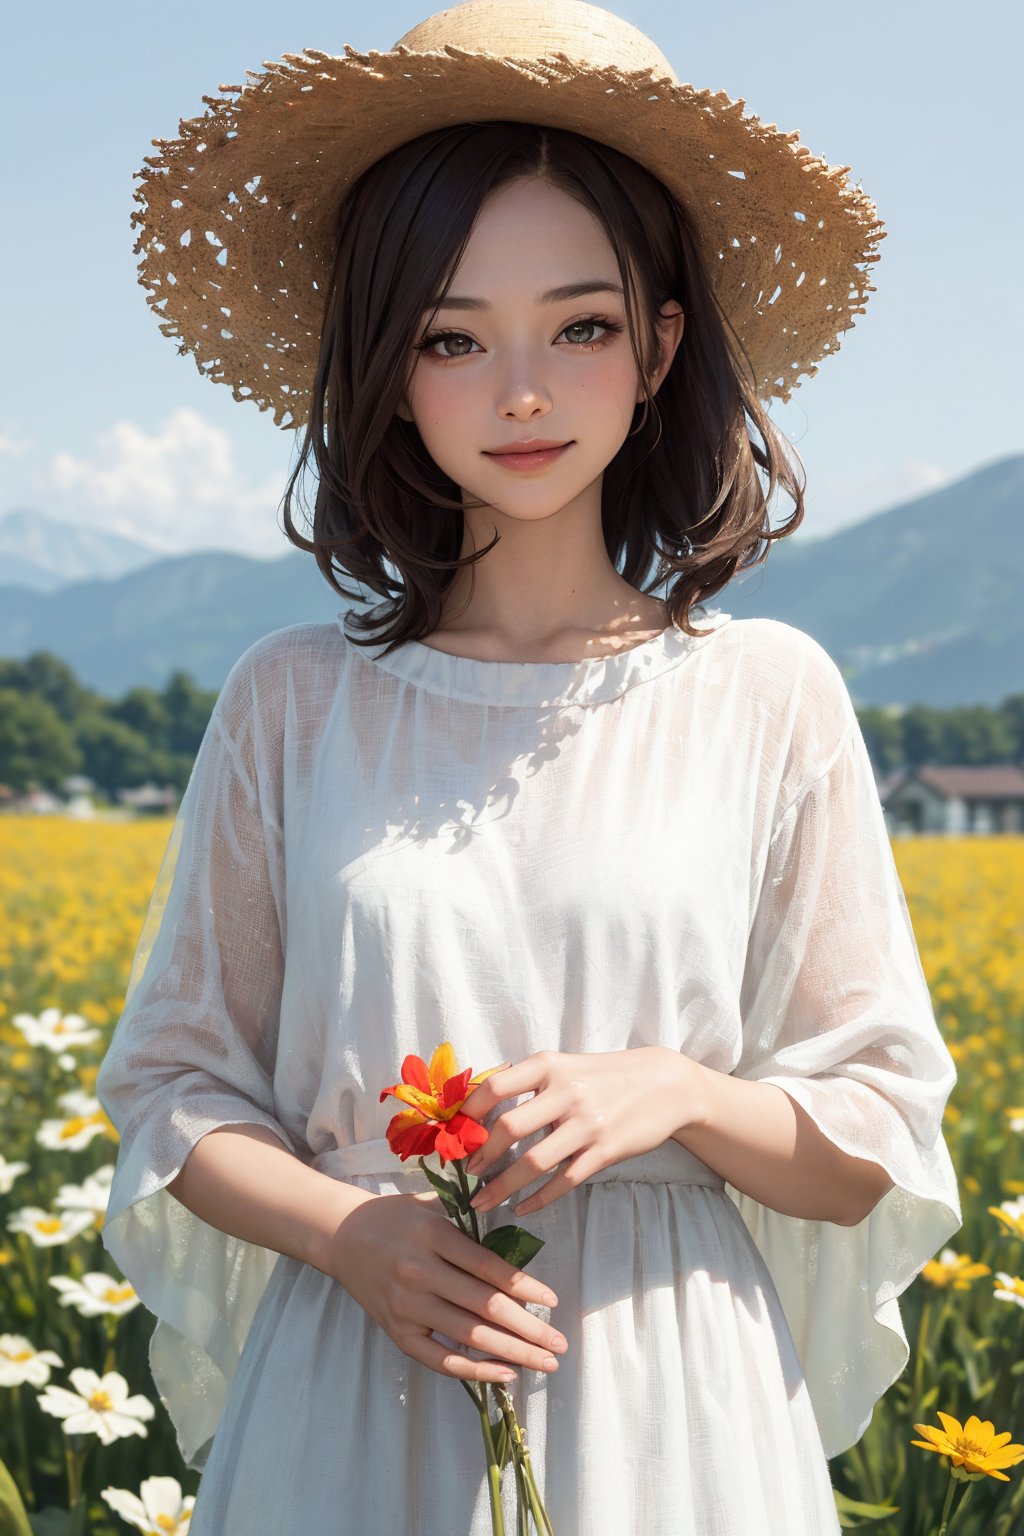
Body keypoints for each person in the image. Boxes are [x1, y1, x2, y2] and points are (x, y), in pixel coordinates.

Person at [94, 2, 963, 1531]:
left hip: (674, 1410)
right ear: (384, 361)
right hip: (360, 1382)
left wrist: (680, 1090)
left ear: (661, 345)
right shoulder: (292, 700)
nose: (521, 392)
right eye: (450, 334)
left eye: (580, 325)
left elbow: (868, 1151)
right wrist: (347, 1233)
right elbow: (174, 1092)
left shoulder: (771, 696)